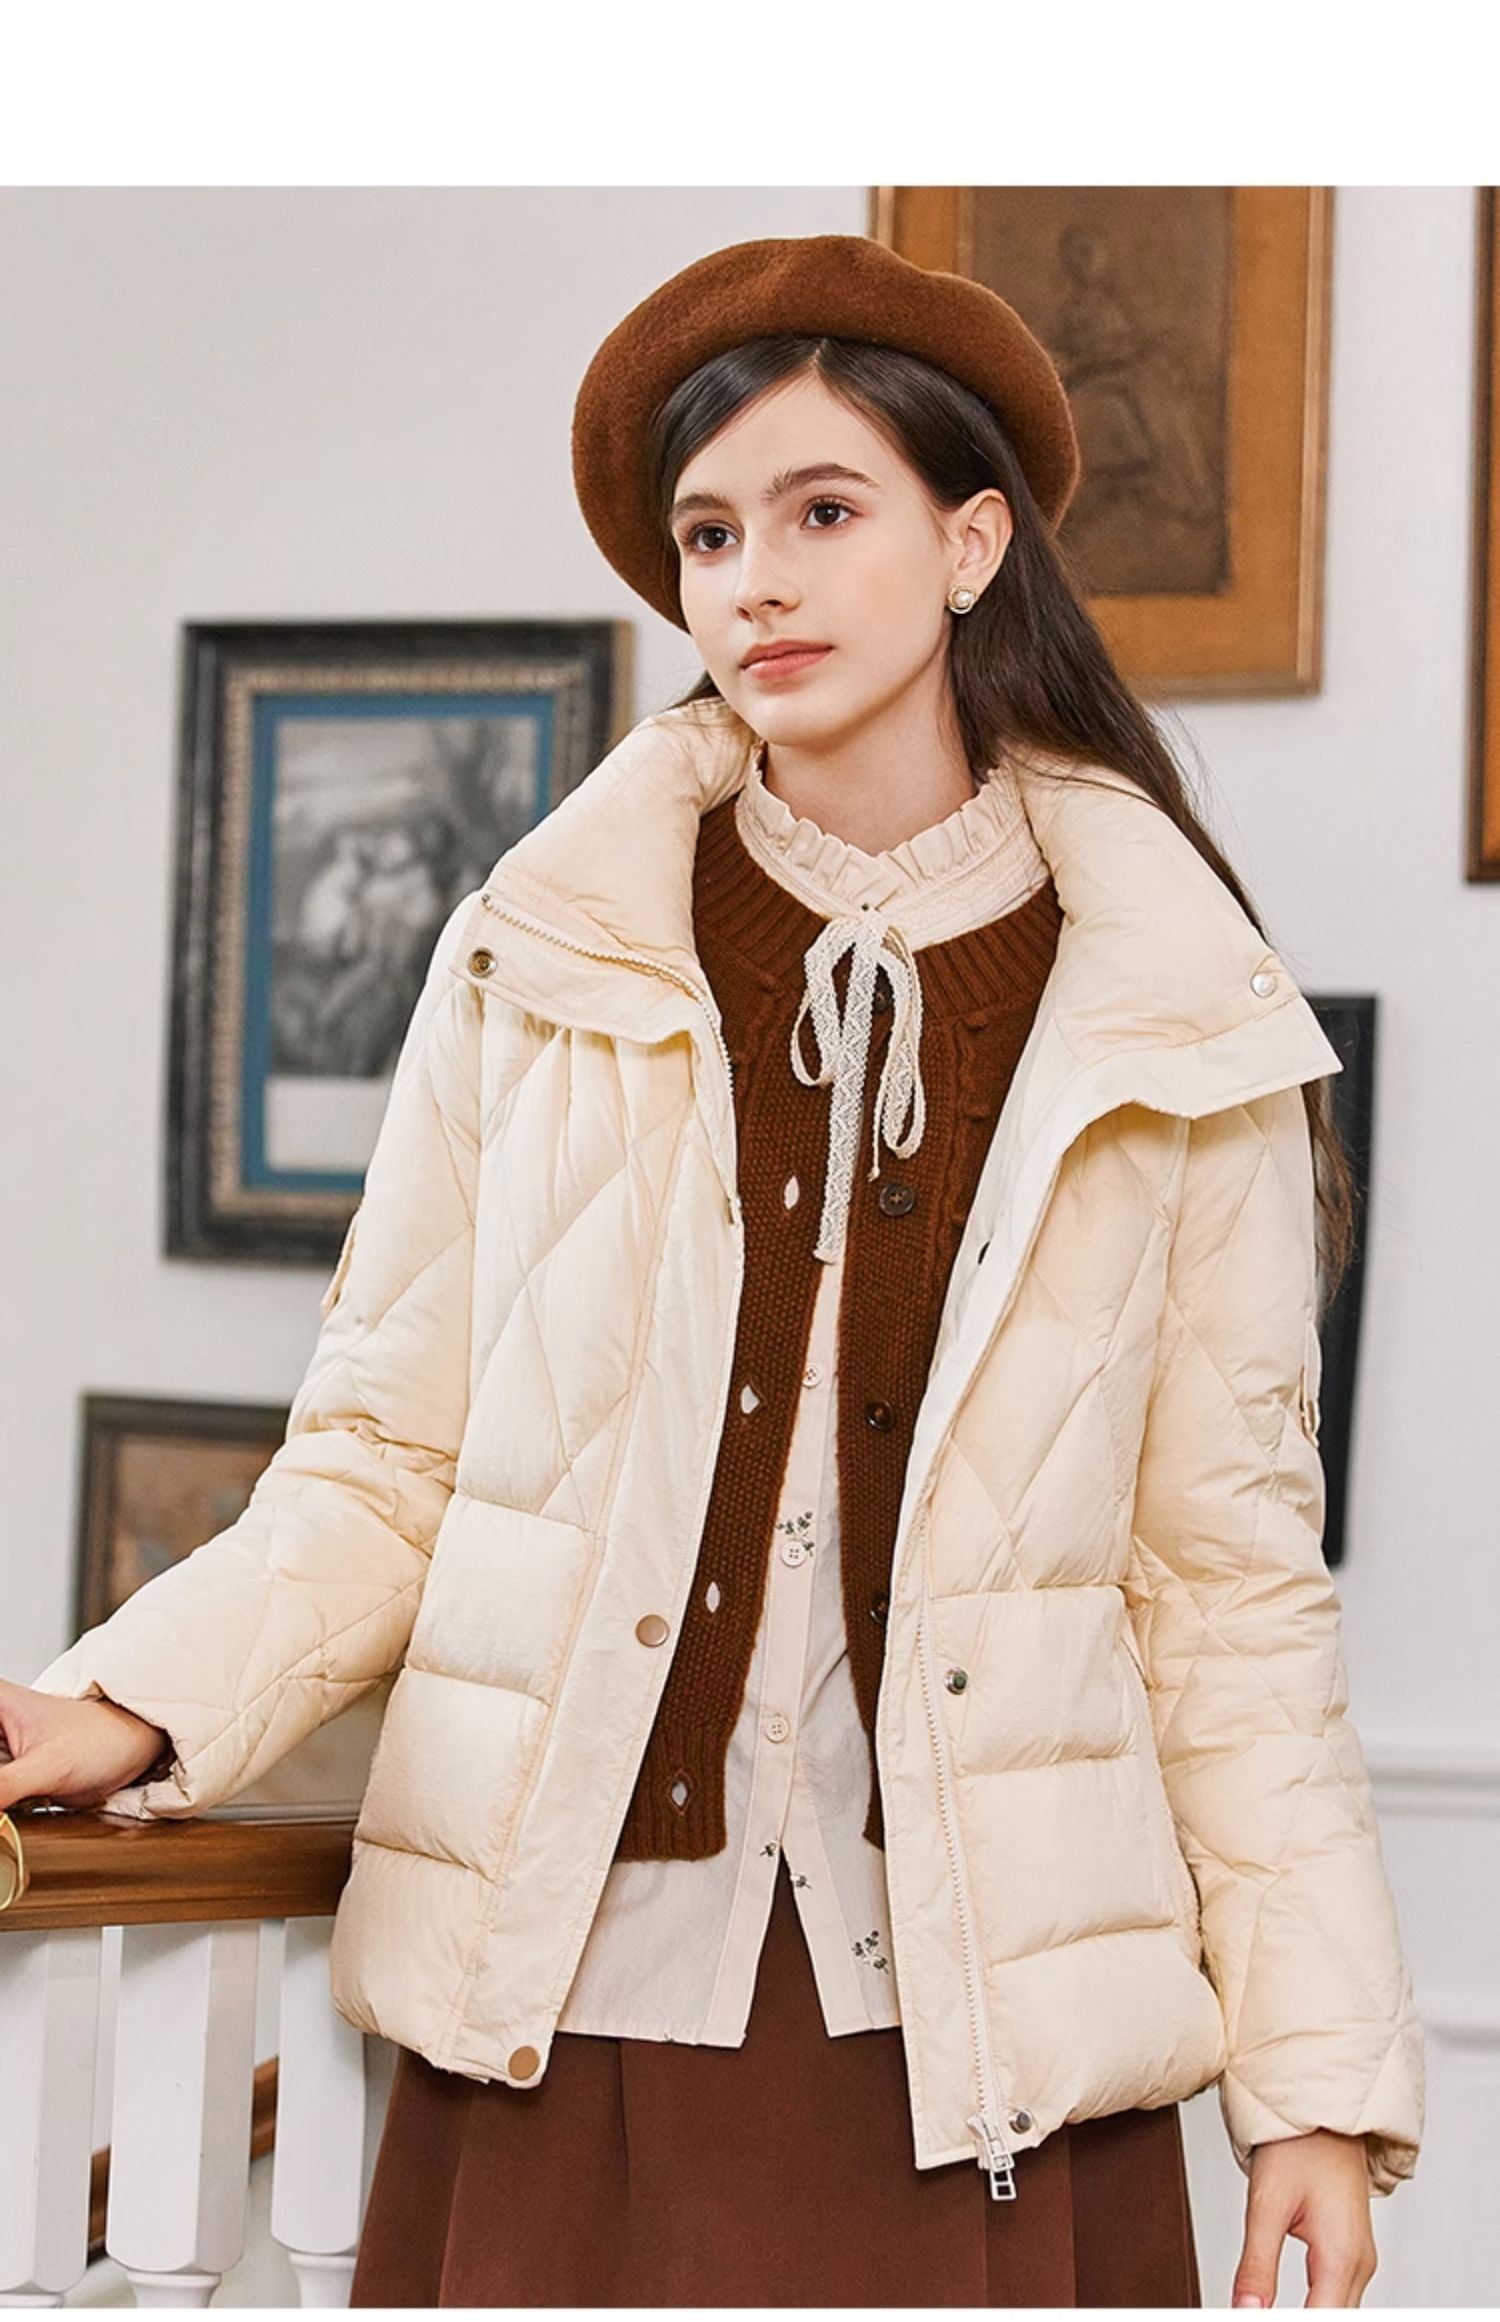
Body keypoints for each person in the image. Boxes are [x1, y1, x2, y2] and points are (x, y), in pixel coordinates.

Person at [0, 233, 1424, 2308]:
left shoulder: (1172, 1016)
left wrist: (1312, 2086)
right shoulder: (537, 957)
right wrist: (133, 1699)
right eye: (710, 532)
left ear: (972, 545)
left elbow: (1223, 1587)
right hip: (567, 1998)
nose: (756, 581)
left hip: (991, 2043)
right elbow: (390, 1452)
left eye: (823, 512)